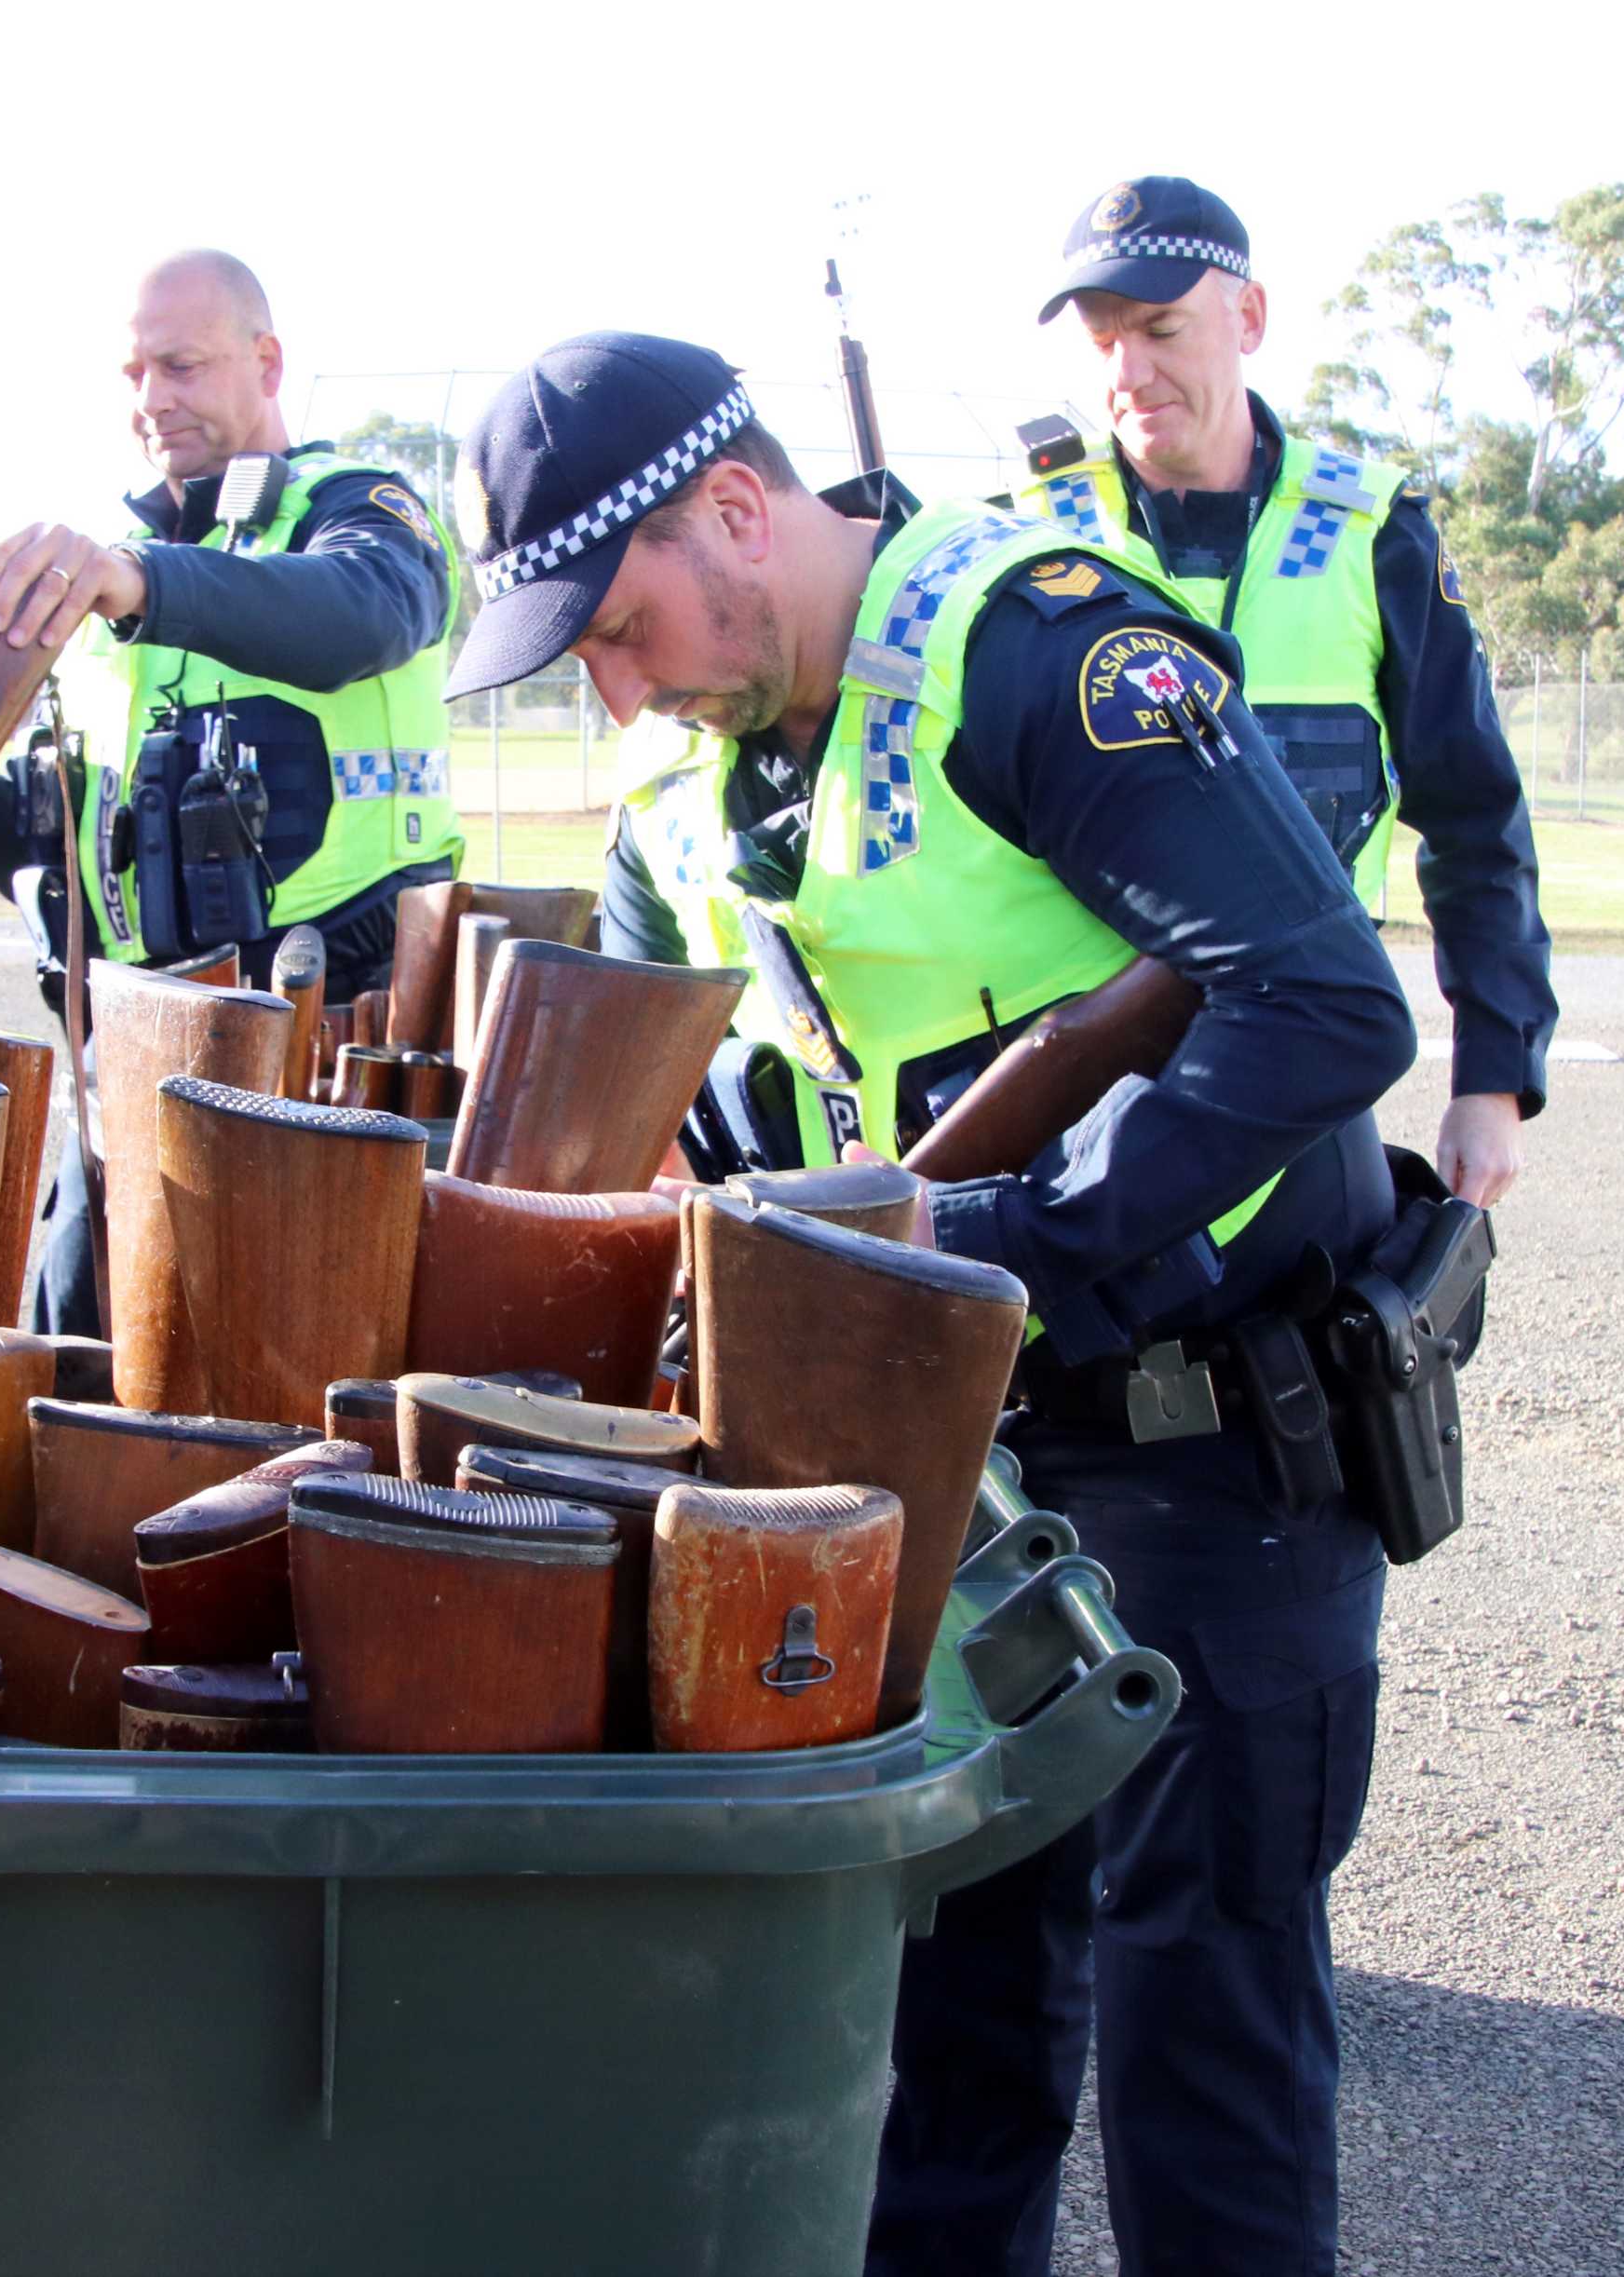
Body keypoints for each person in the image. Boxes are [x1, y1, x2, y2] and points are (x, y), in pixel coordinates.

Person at [442, 331, 1427, 2277]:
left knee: (1202, 2061)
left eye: (622, 623)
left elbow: (1326, 1004)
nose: (616, 683)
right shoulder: (682, 788)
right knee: (937, 2061)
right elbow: (689, 1126)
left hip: (1206, 1445)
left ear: (737, 506)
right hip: (936, 1482)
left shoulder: (1037, 647)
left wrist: (998, 1244)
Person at [0, 248, 463, 1333]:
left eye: (183, 366)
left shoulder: (364, 513)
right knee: (70, 1370)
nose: (153, 400)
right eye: (135, 372)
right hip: (130, 1063)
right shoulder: (115, 570)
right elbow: (55, 848)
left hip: (332, 1059)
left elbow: (363, 613)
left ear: (268, 360)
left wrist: (139, 581)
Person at [1022, 175, 1557, 1206]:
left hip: (1296, 1079)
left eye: (1163, 328)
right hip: (1072, 1093)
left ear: (1248, 316)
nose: (1131, 370)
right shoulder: (1020, 535)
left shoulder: (1372, 533)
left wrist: (1493, 1077)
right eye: (1103, 341)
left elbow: (1475, 818)